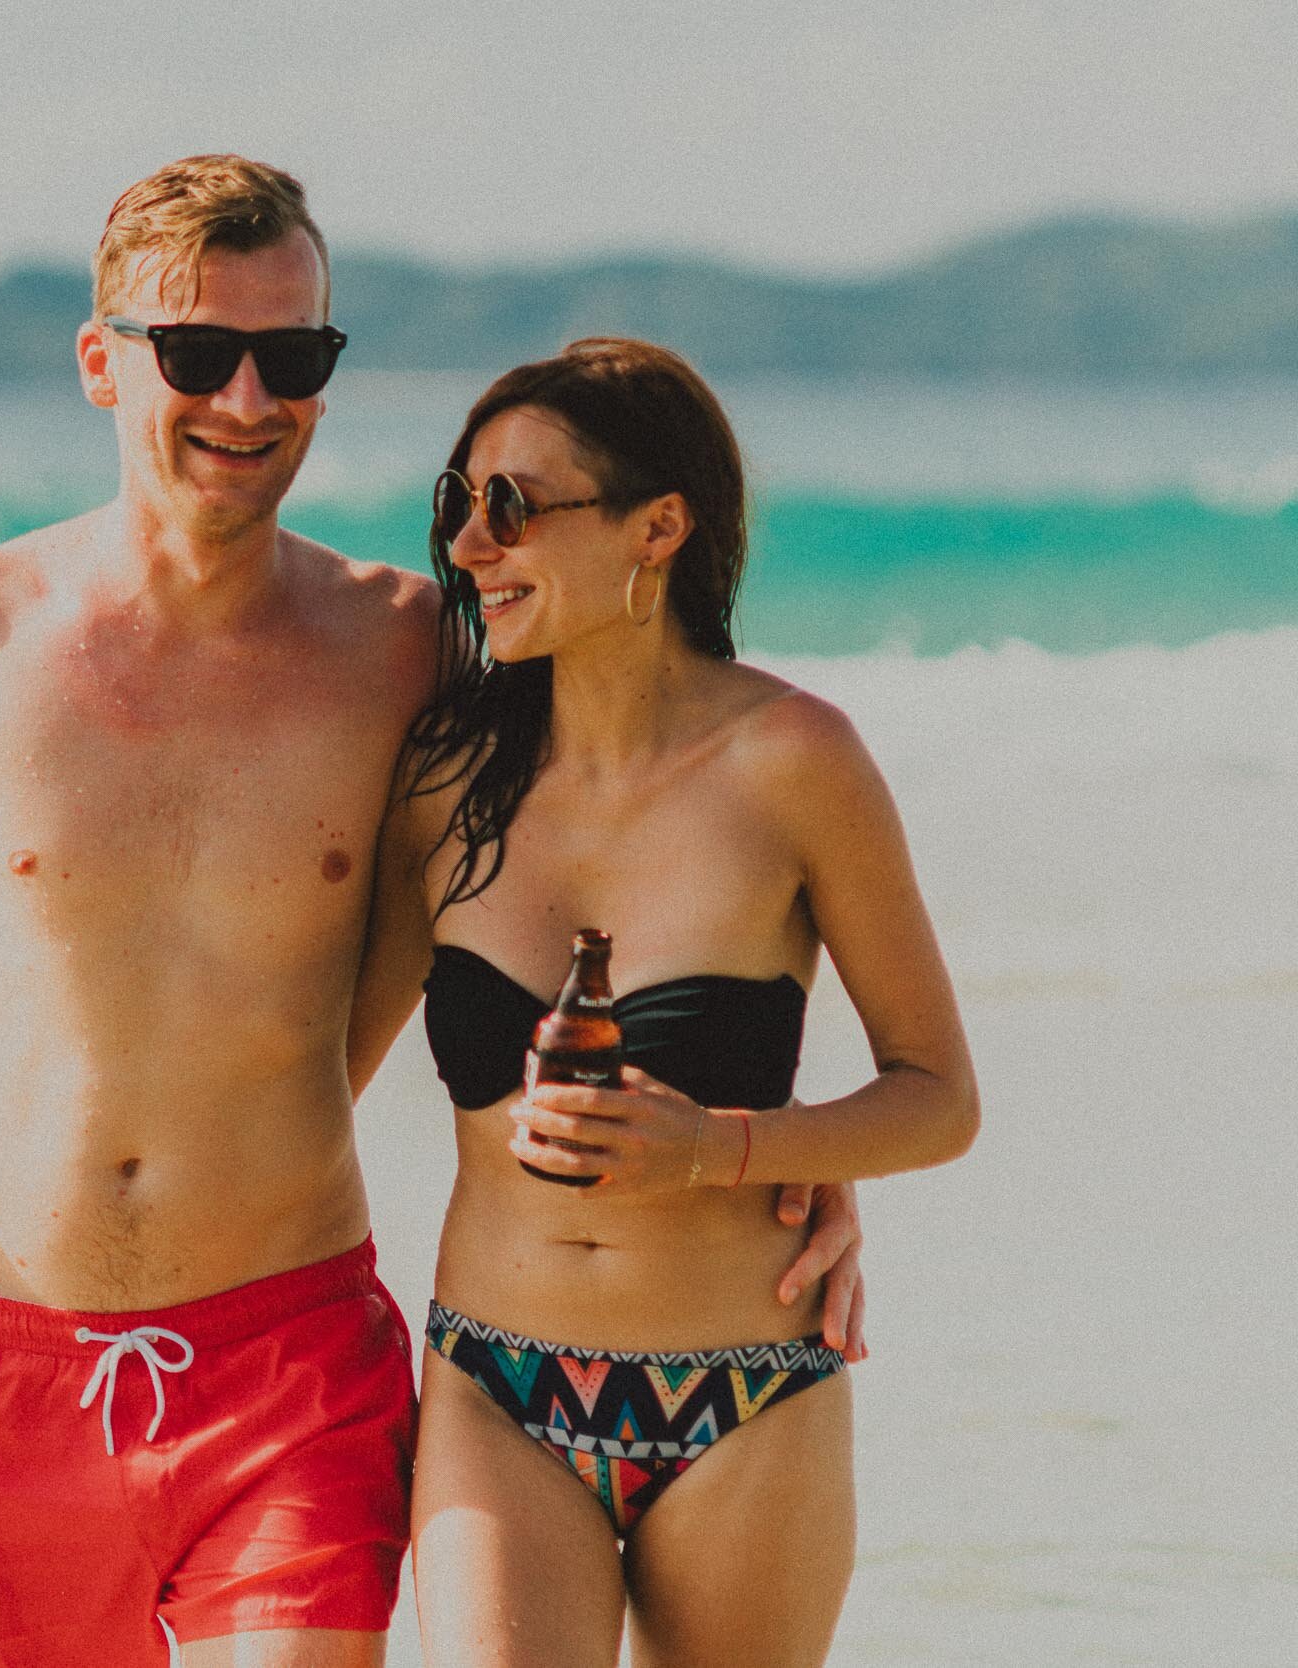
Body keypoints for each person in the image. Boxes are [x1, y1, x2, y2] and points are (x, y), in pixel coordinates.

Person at [0, 155, 863, 1668]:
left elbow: (631, 840)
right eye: (198, 354)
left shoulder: (406, 650)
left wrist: (783, 1156)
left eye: (295, 357)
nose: (250, 402)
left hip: (290, 1363)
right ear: (101, 363)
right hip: (0, 1363)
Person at [367, 339, 978, 1667]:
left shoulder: (795, 762)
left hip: (746, 1396)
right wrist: (25, 1083)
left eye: (515, 505)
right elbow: (298, 1054)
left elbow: (938, 1096)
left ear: (658, 527)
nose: (471, 545)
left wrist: (725, 1148)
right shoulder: (443, 778)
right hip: (495, 1385)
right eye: (456, 505)